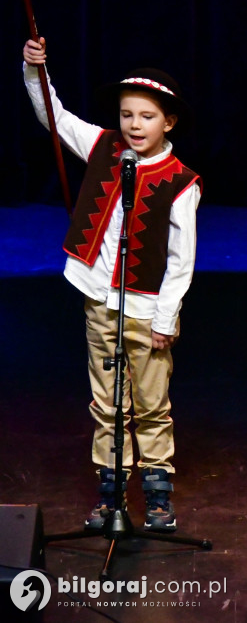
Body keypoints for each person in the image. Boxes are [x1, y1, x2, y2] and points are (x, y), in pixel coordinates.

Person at [22, 38, 200, 532]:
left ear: (168, 122)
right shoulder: (104, 148)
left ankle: (158, 492)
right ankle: (111, 490)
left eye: (146, 116)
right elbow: (53, 117)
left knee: (150, 401)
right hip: (100, 300)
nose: (134, 125)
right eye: (127, 115)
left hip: (148, 310)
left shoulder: (181, 180)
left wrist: (165, 317)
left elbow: (181, 261)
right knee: (107, 399)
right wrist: (34, 71)